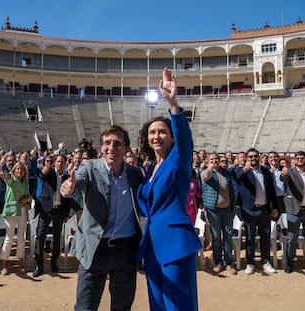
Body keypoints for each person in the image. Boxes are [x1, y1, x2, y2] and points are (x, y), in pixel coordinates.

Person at [136, 68, 201, 310]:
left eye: (162, 131)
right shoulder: (150, 168)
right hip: (152, 244)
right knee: (158, 304)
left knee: (180, 305)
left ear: (171, 137)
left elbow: (186, 142)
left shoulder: (178, 159)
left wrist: (172, 102)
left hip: (175, 242)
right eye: (152, 132)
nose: (157, 136)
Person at [60, 125, 143, 310]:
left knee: (122, 306)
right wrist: (70, 187)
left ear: (126, 148)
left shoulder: (136, 175)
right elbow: (78, 181)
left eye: (117, 143)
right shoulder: (89, 167)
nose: (111, 148)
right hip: (95, 247)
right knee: (85, 306)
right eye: (107, 143)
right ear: (101, 147)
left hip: (125, 249)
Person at [237, 148, 278, 275]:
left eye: (255, 156)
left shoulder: (266, 172)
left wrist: (275, 206)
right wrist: (245, 169)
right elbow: (237, 180)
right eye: (250, 156)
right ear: (247, 158)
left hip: (264, 209)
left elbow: (272, 190)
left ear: (259, 157)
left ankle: (265, 261)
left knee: (265, 237)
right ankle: (250, 263)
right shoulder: (242, 171)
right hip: (249, 210)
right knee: (250, 238)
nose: (253, 158)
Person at [281, 151, 305, 275]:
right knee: (292, 239)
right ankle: (289, 263)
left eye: (302, 158)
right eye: (297, 158)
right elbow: (284, 178)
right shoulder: (291, 172)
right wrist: (283, 173)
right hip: (294, 210)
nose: (299, 160)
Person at [33, 154, 70, 277]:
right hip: (46, 208)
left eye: (61, 161)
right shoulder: (49, 173)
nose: (59, 163)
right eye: (57, 161)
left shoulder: (67, 177)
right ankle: (39, 265)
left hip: (59, 210)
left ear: (65, 163)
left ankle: (54, 263)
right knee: (40, 236)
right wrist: (34, 160)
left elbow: (68, 198)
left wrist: (66, 214)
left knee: (57, 238)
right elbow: (39, 174)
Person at [201, 152, 236, 276]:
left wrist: (233, 207)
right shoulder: (205, 172)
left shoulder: (226, 173)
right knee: (216, 237)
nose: (214, 160)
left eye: (216, 159)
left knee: (228, 236)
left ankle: (228, 262)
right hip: (213, 210)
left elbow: (232, 190)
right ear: (207, 161)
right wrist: (210, 167)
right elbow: (205, 178)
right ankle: (218, 262)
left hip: (227, 210)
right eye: (212, 159)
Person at [0, 161, 32, 275]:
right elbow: (7, 178)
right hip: (11, 211)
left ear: (24, 172)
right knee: (9, 238)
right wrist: (5, 174)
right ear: (14, 170)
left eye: (21, 169)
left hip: (22, 210)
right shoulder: (11, 179)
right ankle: (3, 264)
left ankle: (20, 264)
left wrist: (27, 199)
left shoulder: (26, 182)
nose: (19, 171)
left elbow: (28, 195)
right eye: (17, 169)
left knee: (21, 238)